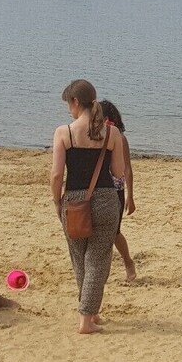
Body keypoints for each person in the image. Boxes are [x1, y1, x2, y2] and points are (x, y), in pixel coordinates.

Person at [51, 80, 126, 334]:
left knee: (80, 259)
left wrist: (56, 201)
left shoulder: (64, 133)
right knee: (98, 260)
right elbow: (118, 173)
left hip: (73, 200)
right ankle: (89, 314)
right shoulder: (111, 133)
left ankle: (86, 316)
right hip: (105, 199)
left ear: (75, 102)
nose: (68, 110)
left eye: (68, 104)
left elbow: (56, 175)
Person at [99, 99, 137, 282]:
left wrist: (131, 196)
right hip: (98, 189)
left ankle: (128, 262)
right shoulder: (93, 137)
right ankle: (100, 269)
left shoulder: (120, 139)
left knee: (114, 232)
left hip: (116, 190)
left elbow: (128, 169)